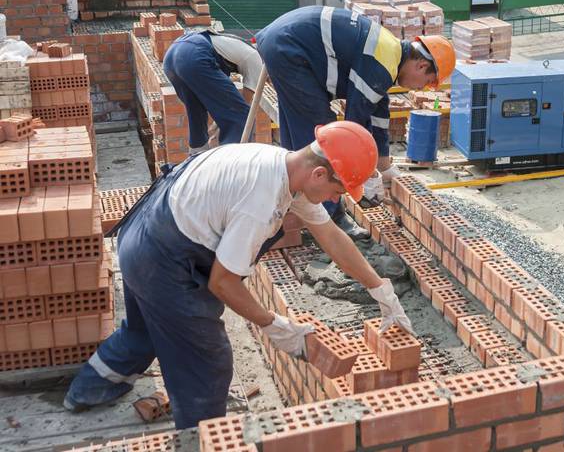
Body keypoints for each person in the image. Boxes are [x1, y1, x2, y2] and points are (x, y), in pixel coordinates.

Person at [63, 121, 413, 429]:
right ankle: (202, 437)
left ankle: (86, 391)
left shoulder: (287, 168)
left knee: (146, 332)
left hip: (145, 234)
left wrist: (380, 289)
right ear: (320, 174)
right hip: (163, 262)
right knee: (207, 362)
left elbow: (332, 237)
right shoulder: (260, 201)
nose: (335, 199)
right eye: (338, 191)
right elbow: (222, 282)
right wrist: (275, 325)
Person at [255, 6, 456, 237]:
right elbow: (353, 126)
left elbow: (378, 117)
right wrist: (367, 176)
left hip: (284, 43)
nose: (420, 88)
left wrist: (384, 168)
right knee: (322, 133)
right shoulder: (382, 64)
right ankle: (331, 218)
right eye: (426, 81)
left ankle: (293, 202)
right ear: (421, 64)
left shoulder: (389, 58)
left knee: (300, 130)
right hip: (289, 48)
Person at [163, 30, 263, 154]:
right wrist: (221, 129)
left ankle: (197, 156)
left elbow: (222, 105)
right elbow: (244, 104)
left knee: (196, 110)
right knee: (241, 116)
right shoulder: (256, 59)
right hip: (196, 55)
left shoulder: (237, 45)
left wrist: (218, 124)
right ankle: (231, 164)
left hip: (173, 55)